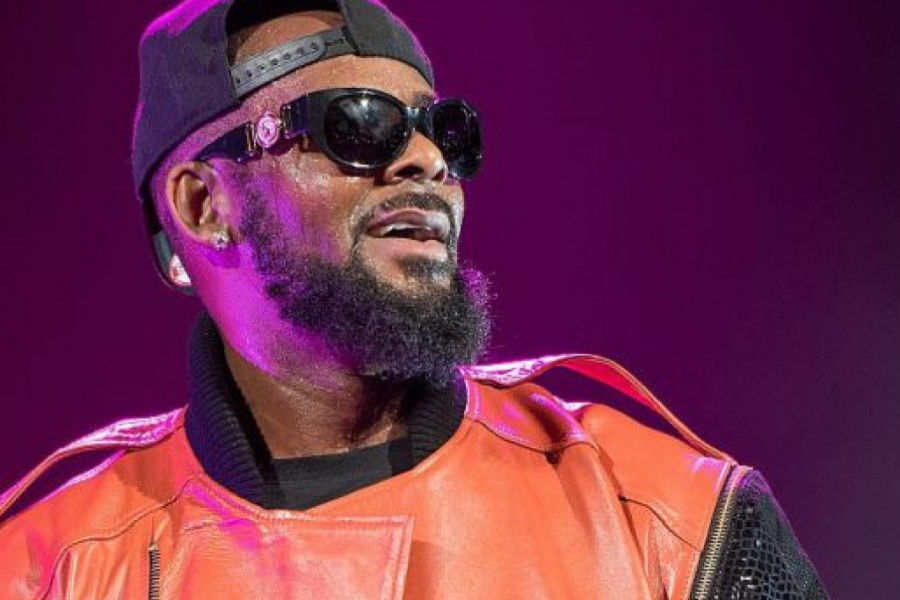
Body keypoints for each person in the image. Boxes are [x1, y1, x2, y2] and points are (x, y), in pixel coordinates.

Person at [0, 0, 828, 598]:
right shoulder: (45, 565)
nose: (427, 160)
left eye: (445, 131)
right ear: (203, 205)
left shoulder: (669, 519)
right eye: (357, 124)